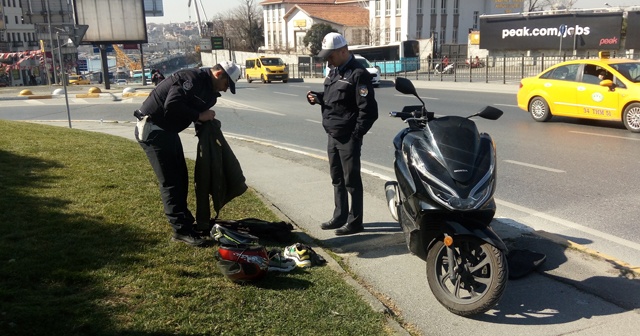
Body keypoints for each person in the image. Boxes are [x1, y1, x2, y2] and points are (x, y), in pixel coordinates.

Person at [134, 61, 241, 246]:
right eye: (226, 84)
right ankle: (180, 230)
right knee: (171, 182)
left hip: (168, 131)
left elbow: (194, 109)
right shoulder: (190, 78)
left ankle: (185, 222)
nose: (225, 90)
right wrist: (200, 116)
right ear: (218, 74)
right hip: (153, 129)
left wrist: (205, 122)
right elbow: (172, 104)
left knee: (181, 178)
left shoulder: (209, 91)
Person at [306, 32, 378, 235]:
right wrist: (318, 98)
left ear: (343, 51)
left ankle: (355, 221)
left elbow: (369, 110)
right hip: (333, 134)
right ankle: (340, 216)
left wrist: (356, 135)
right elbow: (335, 100)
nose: (328, 59)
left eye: (331, 55)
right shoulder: (334, 72)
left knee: (351, 181)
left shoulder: (359, 74)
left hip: (348, 137)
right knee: (336, 177)